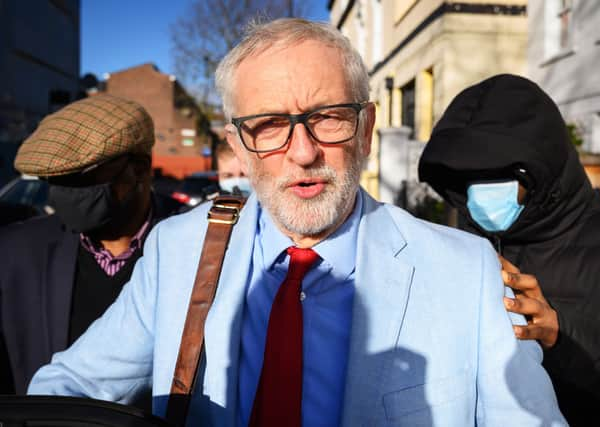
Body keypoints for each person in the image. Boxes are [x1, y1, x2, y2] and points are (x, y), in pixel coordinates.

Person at [28, 20, 566, 426]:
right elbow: (71, 384)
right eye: (267, 126)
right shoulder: (179, 248)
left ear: (367, 127)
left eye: (328, 117)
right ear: (239, 143)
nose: (303, 152)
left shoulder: (464, 270)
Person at [418, 73, 600, 426]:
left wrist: (560, 333)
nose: (482, 192)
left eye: (500, 173)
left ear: (542, 170)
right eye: (469, 178)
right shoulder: (467, 243)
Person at [0, 94, 176, 395]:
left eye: (83, 179)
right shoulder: (16, 252)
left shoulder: (193, 243)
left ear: (141, 168)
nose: (66, 194)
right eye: (56, 181)